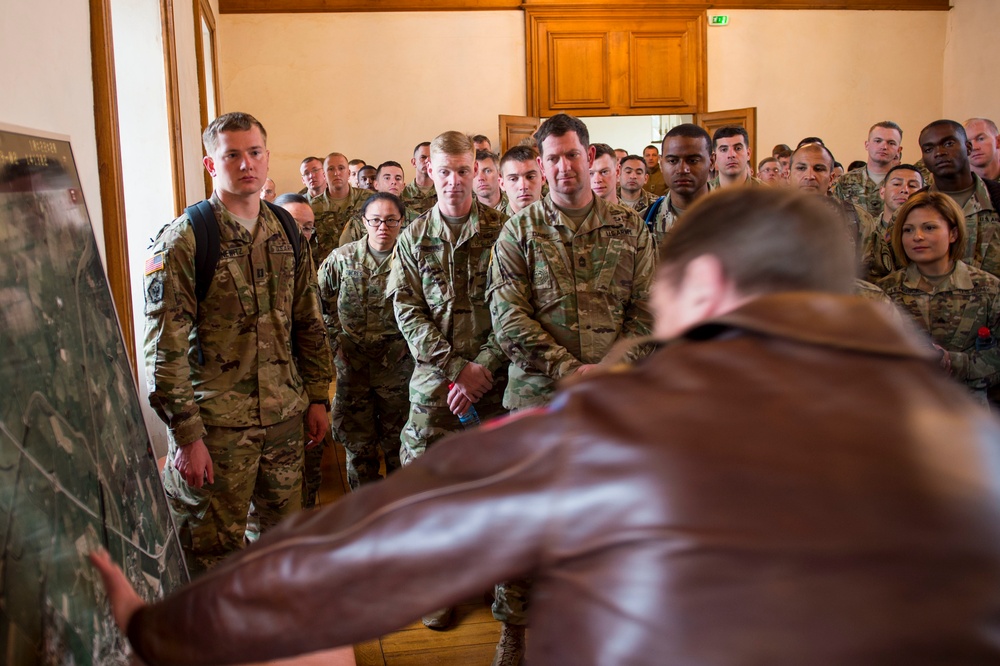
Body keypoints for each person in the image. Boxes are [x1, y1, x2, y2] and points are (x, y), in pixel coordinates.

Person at [95, 186, 1000, 666]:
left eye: (670, 300)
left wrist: (160, 627)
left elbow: (378, 548)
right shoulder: (974, 447)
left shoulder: (627, 427)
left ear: (709, 286)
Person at [488, 114, 653, 664]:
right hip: (538, 398)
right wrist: (569, 371)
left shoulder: (630, 226)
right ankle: (516, 629)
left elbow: (650, 313)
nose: (562, 167)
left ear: (590, 157)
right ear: (540, 165)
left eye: (571, 155)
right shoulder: (519, 230)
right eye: (551, 158)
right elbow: (507, 317)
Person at [141, 111, 333, 575]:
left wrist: (317, 397)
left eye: (254, 153)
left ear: (267, 159)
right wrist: (186, 438)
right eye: (232, 155)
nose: (246, 164)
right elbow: (163, 351)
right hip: (217, 431)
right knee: (210, 554)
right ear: (212, 165)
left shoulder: (286, 231)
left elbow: (308, 320)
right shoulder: (186, 240)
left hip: (285, 421)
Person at [387, 131, 509, 630]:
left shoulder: (506, 231)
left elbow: (516, 308)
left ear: (477, 171)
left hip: (494, 386)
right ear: (430, 173)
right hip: (435, 388)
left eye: (465, 170)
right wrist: (458, 368)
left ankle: (497, 583)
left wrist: (484, 367)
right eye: (446, 171)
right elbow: (408, 312)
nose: (456, 181)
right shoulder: (413, 236)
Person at [318, 192, 412, 490]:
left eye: (390, 220)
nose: (383, 227)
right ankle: (364, 515)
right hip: (353, 368)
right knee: (358, 448)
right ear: (364, 222)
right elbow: (317, 305)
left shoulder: (413, 259)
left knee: (400, 444)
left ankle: (399, 514)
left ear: (401, 222)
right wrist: (336, 342)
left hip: (397, 367)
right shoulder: (342, 259)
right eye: (375, 220)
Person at [878, 190, 1000, 406]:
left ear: (953, 233)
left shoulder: (988, 289)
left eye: (929, 227)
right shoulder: (884, 292)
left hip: (969, 414)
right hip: (906, 411)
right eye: (908, 230)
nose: (917, 237)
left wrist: (955, 363)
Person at [920, 119, 1000, 280]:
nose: (939, 152)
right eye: (929, 149)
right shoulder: (915, 206)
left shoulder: (996, 197)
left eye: (948, 144)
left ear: (968, 148)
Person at [648, 124, 715, 246]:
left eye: (693, 160)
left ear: (712, 162)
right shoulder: (645, 220)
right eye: (672, 161)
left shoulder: (738, 217)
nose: (682, 169)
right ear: (661, 163)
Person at [863, 163, 924, 282]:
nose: (905, 190)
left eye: (913, 186)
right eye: (896, 184)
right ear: (882, 192)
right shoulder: (866, 230)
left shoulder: (925, 234)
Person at [310, 152, 371, 268]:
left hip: (362, 270)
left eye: (341, 168)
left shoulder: (368, 200)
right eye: (331, 169)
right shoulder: (313, 207)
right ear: (324, 175)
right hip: (327, 271)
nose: (336, 173)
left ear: (348, 173)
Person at [832, 121, 903, 218]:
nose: (884, 146)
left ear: (898, 150)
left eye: (891, 143)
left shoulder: (907, 183)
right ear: (867, 145)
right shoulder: (845, 181)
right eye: (878, 141)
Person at [498, 144, 545, 216]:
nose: (523, 186)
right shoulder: (492, 225)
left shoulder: (561, 218)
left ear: (543, 178)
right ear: (502, 184)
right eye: (513, 179)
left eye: (530, 177)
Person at [401, 141, 437, 215]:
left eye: (432, 157)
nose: (428, 161)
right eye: (423, 157)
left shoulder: (444, 192)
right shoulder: (402, 194)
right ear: (414, 162)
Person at [965, 118, 1000, 182]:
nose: (974, 148)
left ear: (998, 141)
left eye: (980, 139)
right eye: (967, 143)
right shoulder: (953, 184)